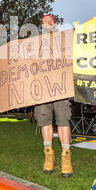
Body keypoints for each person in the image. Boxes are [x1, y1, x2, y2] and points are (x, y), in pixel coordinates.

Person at [34, 14, 73, 177]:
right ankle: (48, 155)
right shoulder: (34, 42)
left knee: (63, 119)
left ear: (55, 23)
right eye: (45, 21)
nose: (48, 23)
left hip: (60, 87)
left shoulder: (63, 39)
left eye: (50, 20)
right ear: (41, 25)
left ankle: (66, 158)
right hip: (43, 87)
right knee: (44, 120)